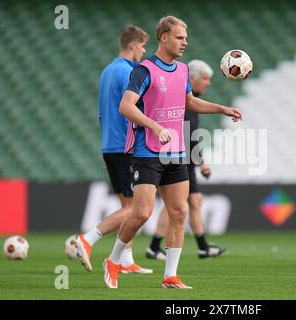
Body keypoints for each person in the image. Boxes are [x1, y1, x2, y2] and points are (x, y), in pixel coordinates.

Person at [102, 16, 242, 289]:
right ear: (164, 37)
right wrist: (154, 126)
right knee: (141, 213)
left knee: (179, 213)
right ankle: (114, 259)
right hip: (148, 151)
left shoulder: (181, 70)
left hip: (177, 152)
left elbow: (189, 101)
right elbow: (126, 107)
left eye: (186, 39)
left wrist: (221, 108)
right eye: (179, 38)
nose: (184, 43)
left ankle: (170, 276)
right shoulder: (144, 70)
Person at [76, 26, 153, 275]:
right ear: (132, 45)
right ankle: (88, 238)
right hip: (126, 146)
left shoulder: (107, 71)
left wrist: (105, 145)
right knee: (134, 209)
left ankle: (126, 259)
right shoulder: (130, 72)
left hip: (111, 145)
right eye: (142, 46)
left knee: (127, 205)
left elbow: (102, 112)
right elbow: (131, 111)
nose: (143, 51)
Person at [146, 59, 226, 261]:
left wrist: (200, 161)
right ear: (192, 78)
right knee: (177, 204)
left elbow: (191, 134)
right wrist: (201, 162)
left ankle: (201, 246)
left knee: (192, 202)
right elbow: (186, 134)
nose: (208, 83)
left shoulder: (191, 101)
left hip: (185, 158)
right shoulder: (184, 100)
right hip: (178, 158)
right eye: (205, 79)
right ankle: (156, 246)